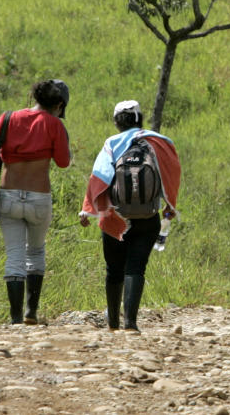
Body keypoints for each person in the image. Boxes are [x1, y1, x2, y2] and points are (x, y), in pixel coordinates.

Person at [80, 100, 180, 332]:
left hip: (115, 218)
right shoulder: (160, 141)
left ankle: (113, 323)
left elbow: (100, 177)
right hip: (147, 217)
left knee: (114, 270)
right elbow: (171, 175)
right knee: (136, 268)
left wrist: (87, 209)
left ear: (116, 122)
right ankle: (131, 323)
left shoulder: (112, 143)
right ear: (140, 118)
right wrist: (170, 207)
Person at [0, 79, 71, 325]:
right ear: (60, 105)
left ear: (35, 98)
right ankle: (32, 311)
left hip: (8, 194)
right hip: (39, 197)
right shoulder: (55, 125)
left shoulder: (9, 117)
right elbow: (63, 162)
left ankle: (16, 318)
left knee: (14, 255)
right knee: (36, 250)